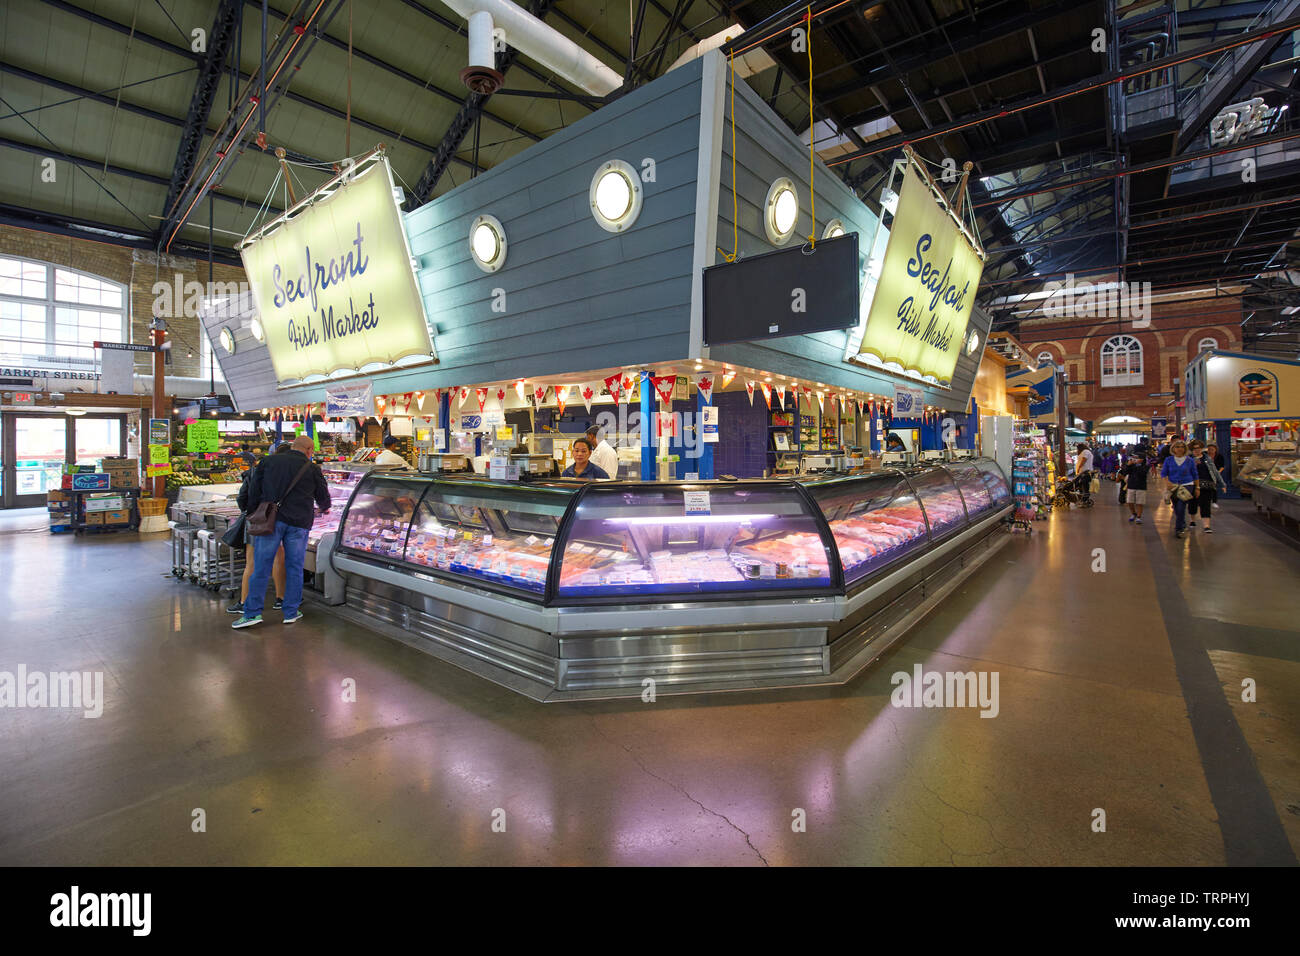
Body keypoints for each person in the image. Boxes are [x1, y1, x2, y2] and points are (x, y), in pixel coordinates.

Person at [232, 434, 331, 629]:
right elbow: (323, 496)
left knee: (261, 566)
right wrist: (324, 507)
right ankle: (291, 612)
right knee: (294, 567)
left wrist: (254, 512)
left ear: (293, 446)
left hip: (271, 520)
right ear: (309, 450)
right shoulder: (312, 468)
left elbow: (253, 491)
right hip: (299, 523)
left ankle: (252, 614)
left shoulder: (268, 462)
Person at [228, 459, 286, 615]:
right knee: (278, 558)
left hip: (255, 521)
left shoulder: (252, 473)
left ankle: (244, 602)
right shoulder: (284, 474)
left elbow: (242, 499)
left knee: (252, 562)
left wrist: (252, 513)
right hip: (277, 520)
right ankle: (281, 598)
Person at [1159, 437, 1198, 539]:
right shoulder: (1169, 460)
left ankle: (1178, 528)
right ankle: (1183, 523)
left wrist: (1197, 488)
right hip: (1173, 486)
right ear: (1173, 448)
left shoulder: (1190, 460)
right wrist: (1167, 482)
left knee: (1181, 506)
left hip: (1187, 485)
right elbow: (1164, 473)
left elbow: (1195, 474)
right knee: (1176, 508)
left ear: (1185, 448)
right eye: (1177, 447)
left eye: (1181, 447)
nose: (1179, 449)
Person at [1188, 439, 1222, 533]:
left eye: (1199, 448)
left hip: (1206, 484)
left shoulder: (1207, 458)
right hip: (1192, 484)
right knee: (1192, 503)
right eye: (1194, 448)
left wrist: (1221, 483)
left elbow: (1214, 471)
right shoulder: (1189, 459)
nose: (1197, 450)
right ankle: (1192, 520)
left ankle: (1206, 526)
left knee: (1205, 505)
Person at [1122, 447, 1149, 524]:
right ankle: (1133, 513)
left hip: (1141, 486)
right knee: (1130, 501)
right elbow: (1125, 472)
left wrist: (1138, 465)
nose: (1134, 459)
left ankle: (1139, 516)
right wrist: (1128, 465)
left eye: (1136, 458)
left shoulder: (1145, 466)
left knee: (1139, 502)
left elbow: (1143, 473)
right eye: (1133, 457)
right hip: (1131, 485)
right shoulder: (1131, 465)